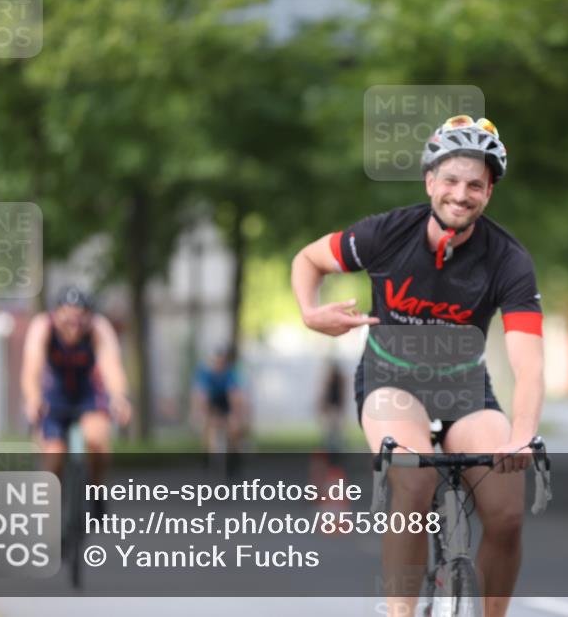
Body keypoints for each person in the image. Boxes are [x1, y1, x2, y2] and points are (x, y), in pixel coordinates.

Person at [291, 115, 544, 617]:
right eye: (450, 180)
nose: (461, 194)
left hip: (466, 392)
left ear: (489, 192)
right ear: (430, 181)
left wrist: (523, 434)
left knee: (508, 512)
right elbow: (308, 259)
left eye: (475, 184)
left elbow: (530, 364)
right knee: (412, 479)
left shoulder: (508, 260)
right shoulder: (386, 234)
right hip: (391, 383)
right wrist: (309, 311)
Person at [21, 285, 132, 481]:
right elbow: (32, 369)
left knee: (96, 441)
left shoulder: (99, 328)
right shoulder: (42, 327)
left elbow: (111, 366)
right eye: (68, 320)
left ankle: (96, 491)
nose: (74, 327)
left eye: (80, 320)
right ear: (56, 315)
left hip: (88, 392)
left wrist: (119, 397)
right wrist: (32, 399)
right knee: (52, 458)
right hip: (54, 393)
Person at [192, 345, 249, 475]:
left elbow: (234, 395)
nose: (219, 365)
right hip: (212, 401)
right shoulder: (205, 373)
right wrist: (203, 414)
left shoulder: (229, 373)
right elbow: (201, 396)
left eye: (221, 362)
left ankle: (233, 457)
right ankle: (206, 456)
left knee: (233, 427)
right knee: (207, 426)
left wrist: (235, 415)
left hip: (225, 401)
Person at [317, 357, 348, 454]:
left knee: (336, 430)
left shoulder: (338, 380)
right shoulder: (331, 380)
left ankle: (336, 448)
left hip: (335, 407)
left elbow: (341, 395)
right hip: (332, 407)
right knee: (330, 430)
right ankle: (331, 447)